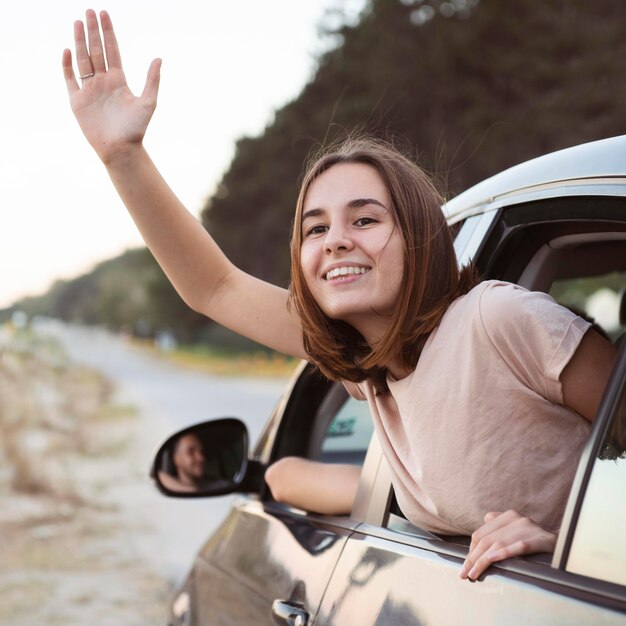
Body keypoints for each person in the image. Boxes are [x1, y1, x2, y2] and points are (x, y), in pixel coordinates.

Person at [62, 10, 617, 581]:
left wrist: (562, 543)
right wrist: (122, 156)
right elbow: (216, 287)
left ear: (421, 236)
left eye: (366, 219)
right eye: (316, 228)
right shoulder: (371, 366)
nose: (337, 242)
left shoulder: (498, 319)